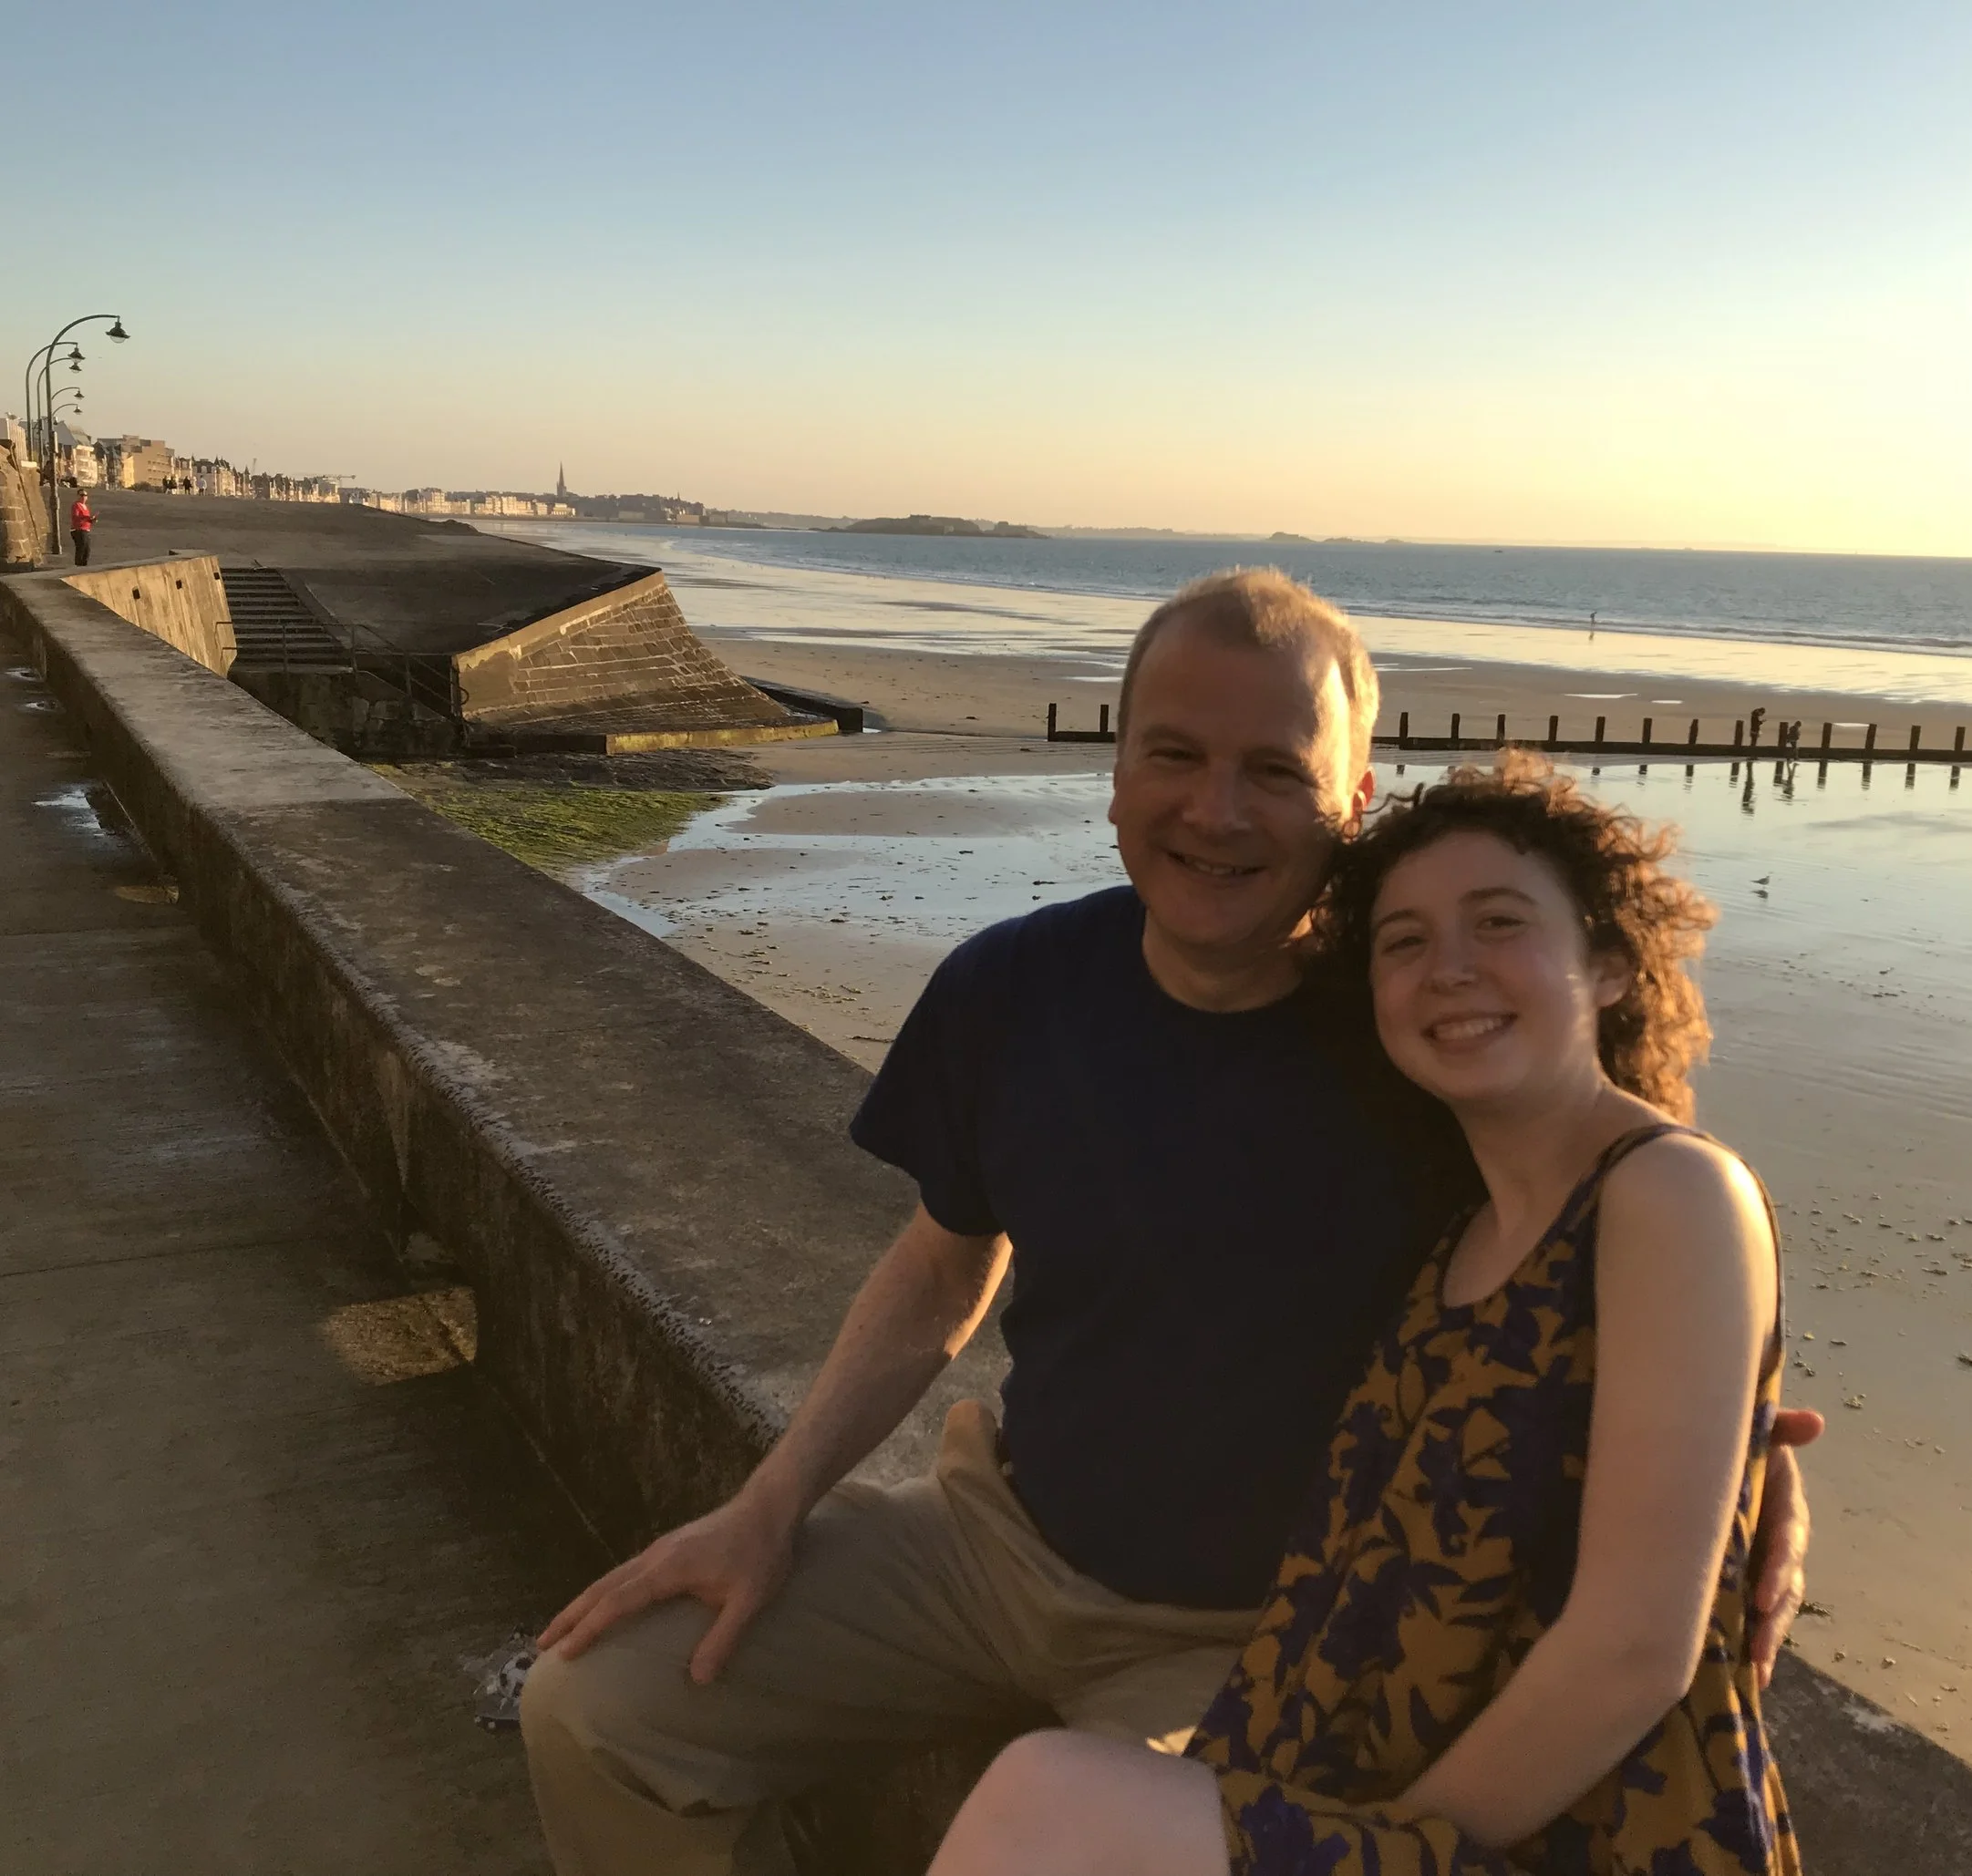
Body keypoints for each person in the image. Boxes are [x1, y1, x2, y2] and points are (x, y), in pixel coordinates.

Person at [520, 571, 1817, 1876]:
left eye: (1275, 770)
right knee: (597, 1708)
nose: (1216, 809)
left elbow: (1616, 1225)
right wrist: (769, 1502)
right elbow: (943, 1264)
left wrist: (1749, 1468)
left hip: (1256, 1637)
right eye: (1176, 755)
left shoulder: (1417, 1032)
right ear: (1116, 772)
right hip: (993, 1539)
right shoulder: (1013, 987)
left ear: (1353, 803)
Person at [931, 754, 1798, 1876]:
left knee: (1043, 1796)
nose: (1449, 968)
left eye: (1498, 922)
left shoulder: (1670, 1191)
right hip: (1349, 1784)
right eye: (1403, 942)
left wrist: (1369, 1852)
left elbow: (1635, 1649)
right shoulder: (1459, 1231)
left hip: (1560, 1833)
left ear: (1609, 963)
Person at [69, 492, 94, 566]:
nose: (84, 497)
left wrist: (91, 520)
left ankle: (84, 565)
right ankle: (78, 564)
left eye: (85, 495)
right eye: (82, 495)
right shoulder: (76, 505)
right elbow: (75, 517)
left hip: (86, 529)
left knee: (87, 549)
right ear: (78, 496)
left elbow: (86, 519)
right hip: (78, 529)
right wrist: (87, 518)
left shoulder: (85, 507)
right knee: (81, 547)